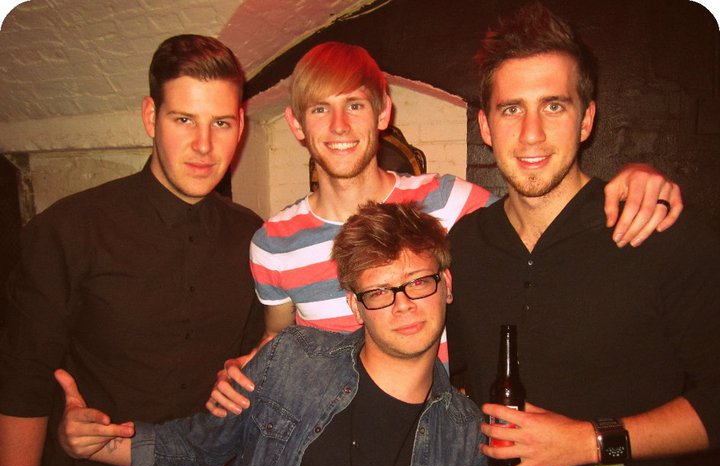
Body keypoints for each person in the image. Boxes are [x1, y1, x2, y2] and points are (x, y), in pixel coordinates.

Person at [207, 40, 682, 418]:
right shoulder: (272, 243)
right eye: (319, 110)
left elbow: (541, 212)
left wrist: (635, 176)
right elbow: (279, 339)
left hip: (433, 444)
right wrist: (244, 375)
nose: (339, 126)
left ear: (383, 112)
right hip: (326, 441)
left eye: (354, 105)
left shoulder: (447, 202)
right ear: (295, 124)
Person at [445, 3, 720, 466]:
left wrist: (588, 441)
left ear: (587, 118)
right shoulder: (466, 245)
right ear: (485, 125)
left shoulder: (657, 232)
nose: (531, 133)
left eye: (554, 106)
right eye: (511, 109)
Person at [54, 202, 488, 466]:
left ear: (446, 285)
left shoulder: (468, 434)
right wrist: (100, 443)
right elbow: (197, 447)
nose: (403, 304)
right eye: (379, 291)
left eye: (419, 282)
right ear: (355, 306)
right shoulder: (294, 359)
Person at [0, 35, 264, 466]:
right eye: (183, 119)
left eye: (221, 123)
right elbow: (22, 386)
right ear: (150, 117)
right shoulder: (68, 230)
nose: (204, 145)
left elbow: (253, 361)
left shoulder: (253, 235)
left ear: (240, 126)